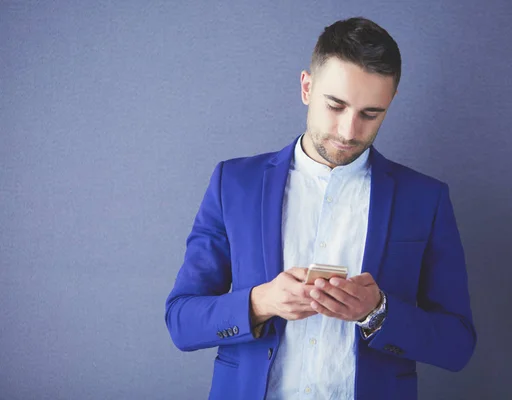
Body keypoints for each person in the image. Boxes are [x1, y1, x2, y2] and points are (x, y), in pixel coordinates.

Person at [165, 16, 476, 400]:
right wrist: (260, 302)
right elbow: (181, 321)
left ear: (390, 102)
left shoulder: (425, 199)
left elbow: (458, 343)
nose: (349, 131)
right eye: (336, 105)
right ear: (307, 87)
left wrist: (378, 312)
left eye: (370, 114)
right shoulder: (234, 183)